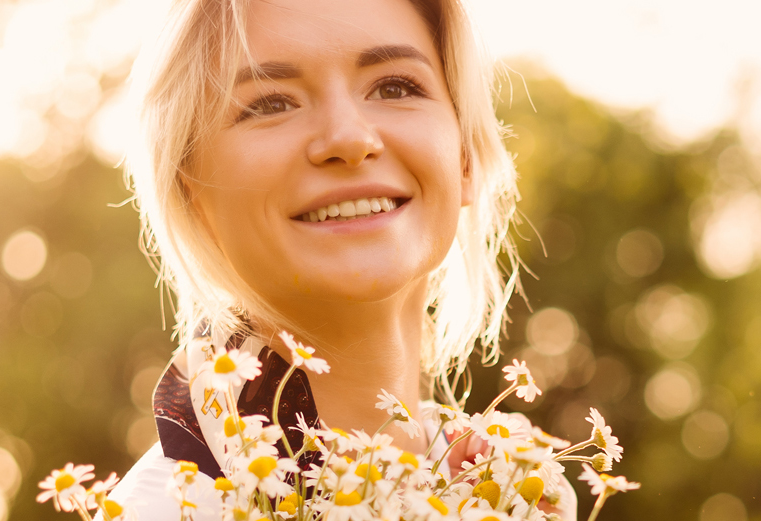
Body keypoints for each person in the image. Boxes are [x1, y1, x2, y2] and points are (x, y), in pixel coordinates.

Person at [103, 0, 569, 516]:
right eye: (271, 103)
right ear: (190, 185)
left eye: (394, 88)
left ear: (465, 158)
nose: (349, 139)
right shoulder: (161, 509)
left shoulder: (515, 490)